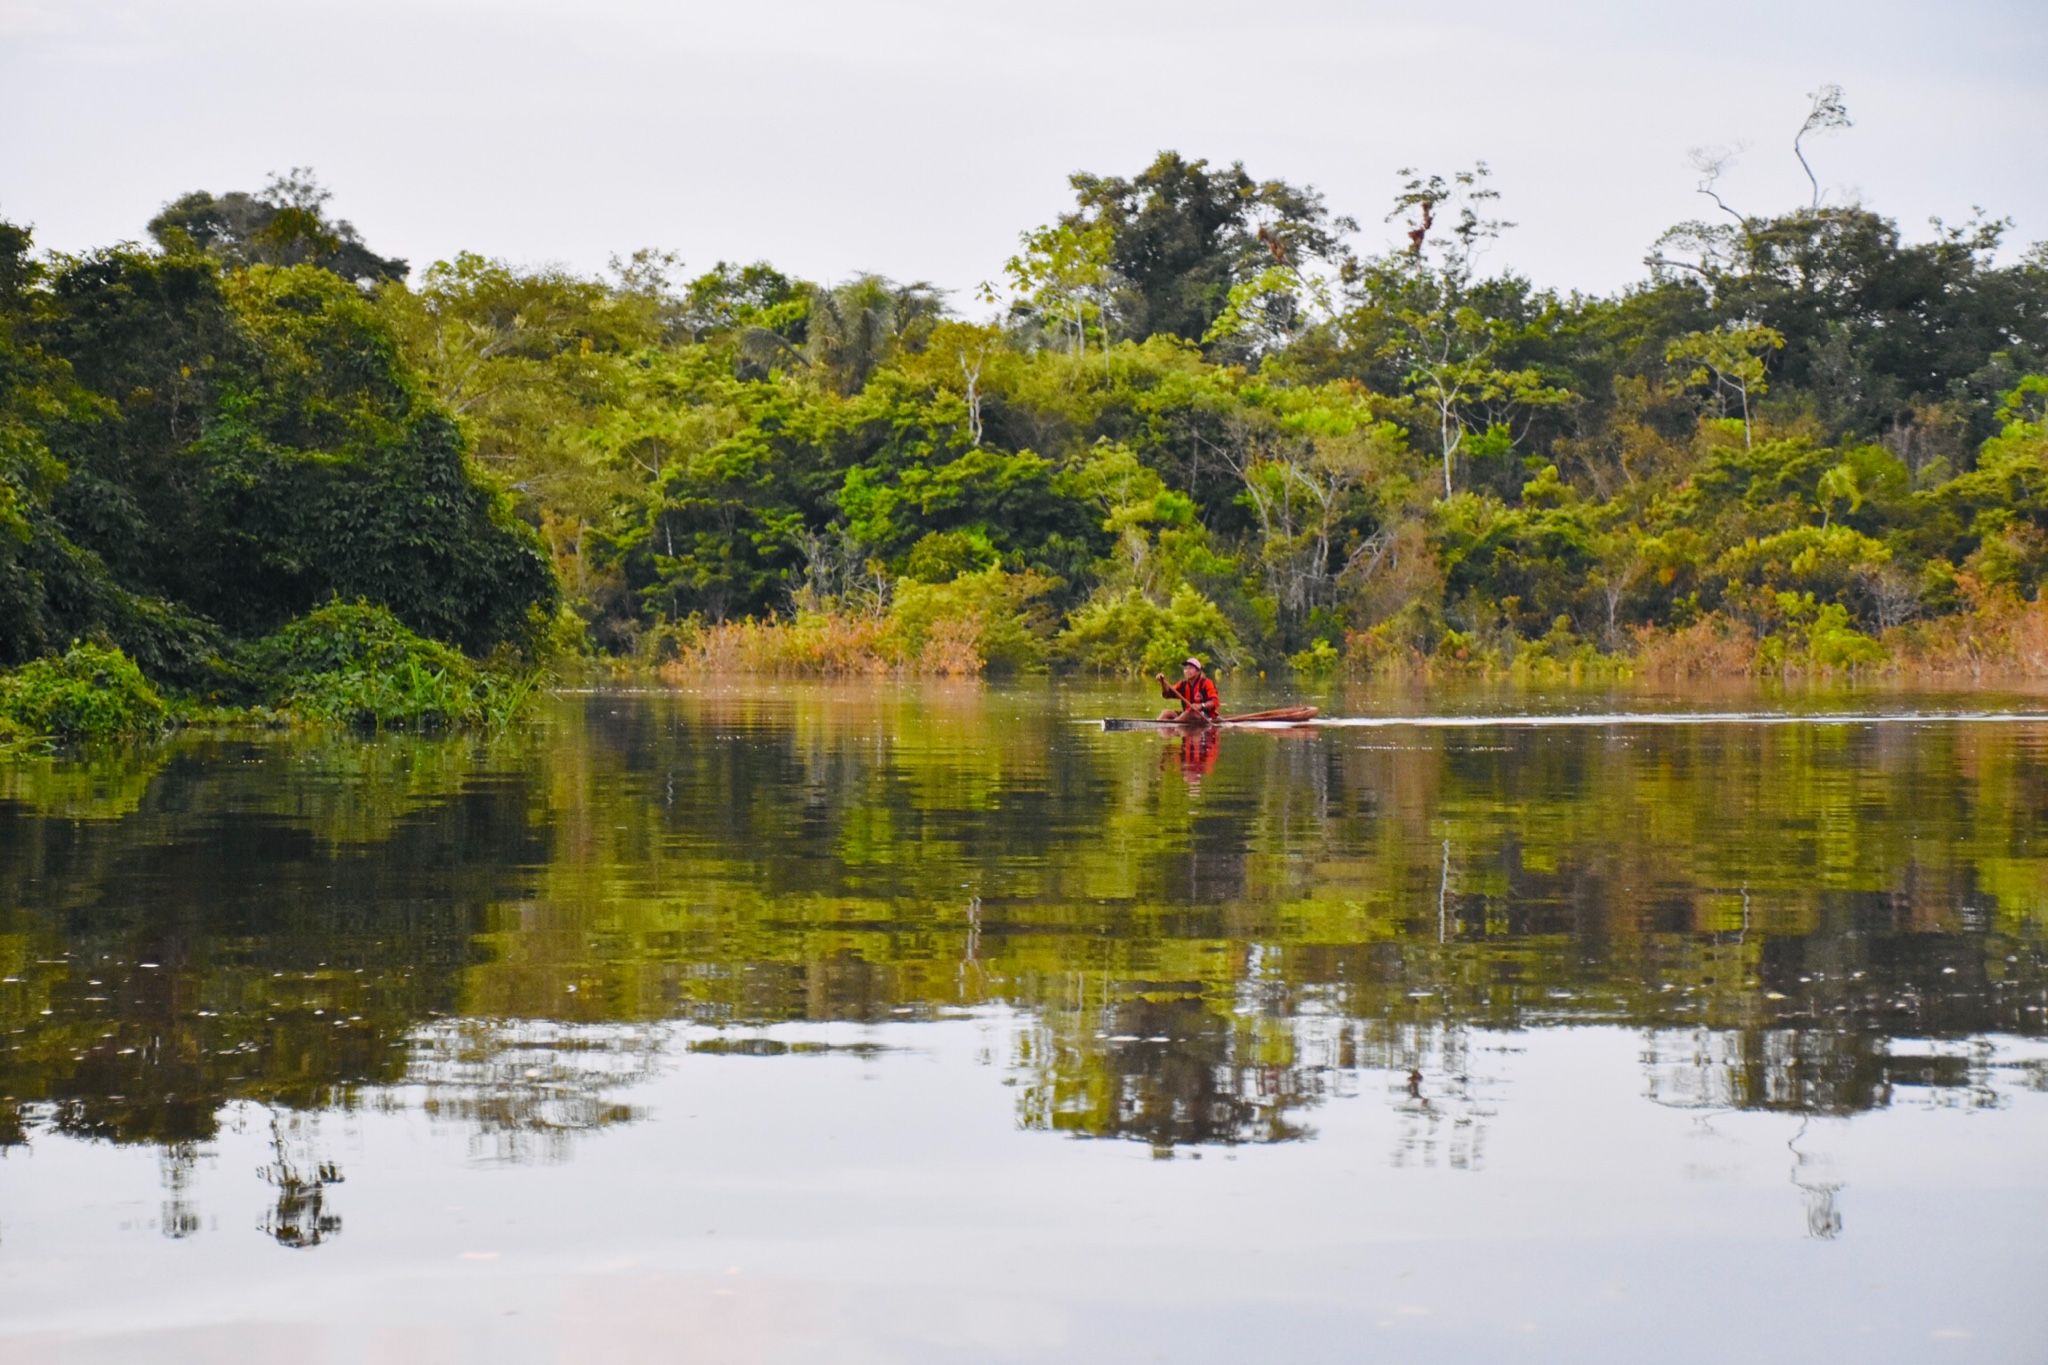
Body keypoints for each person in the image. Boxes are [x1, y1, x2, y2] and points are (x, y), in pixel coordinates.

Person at [1156, 657, 1220, 723]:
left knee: (1189, 714)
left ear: (1198, 671)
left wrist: (1201, 706)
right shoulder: (1182, 684)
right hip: (1186, 714)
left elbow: (1215, 702)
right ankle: (1159, 726)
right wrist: (1162, 682)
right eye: (1185, 668)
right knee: (1166, 712)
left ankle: (1173, 725)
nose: (1187, 671)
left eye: (1190, 668)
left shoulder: (1207, 683)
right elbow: (1167, 694)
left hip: (1206, 715)